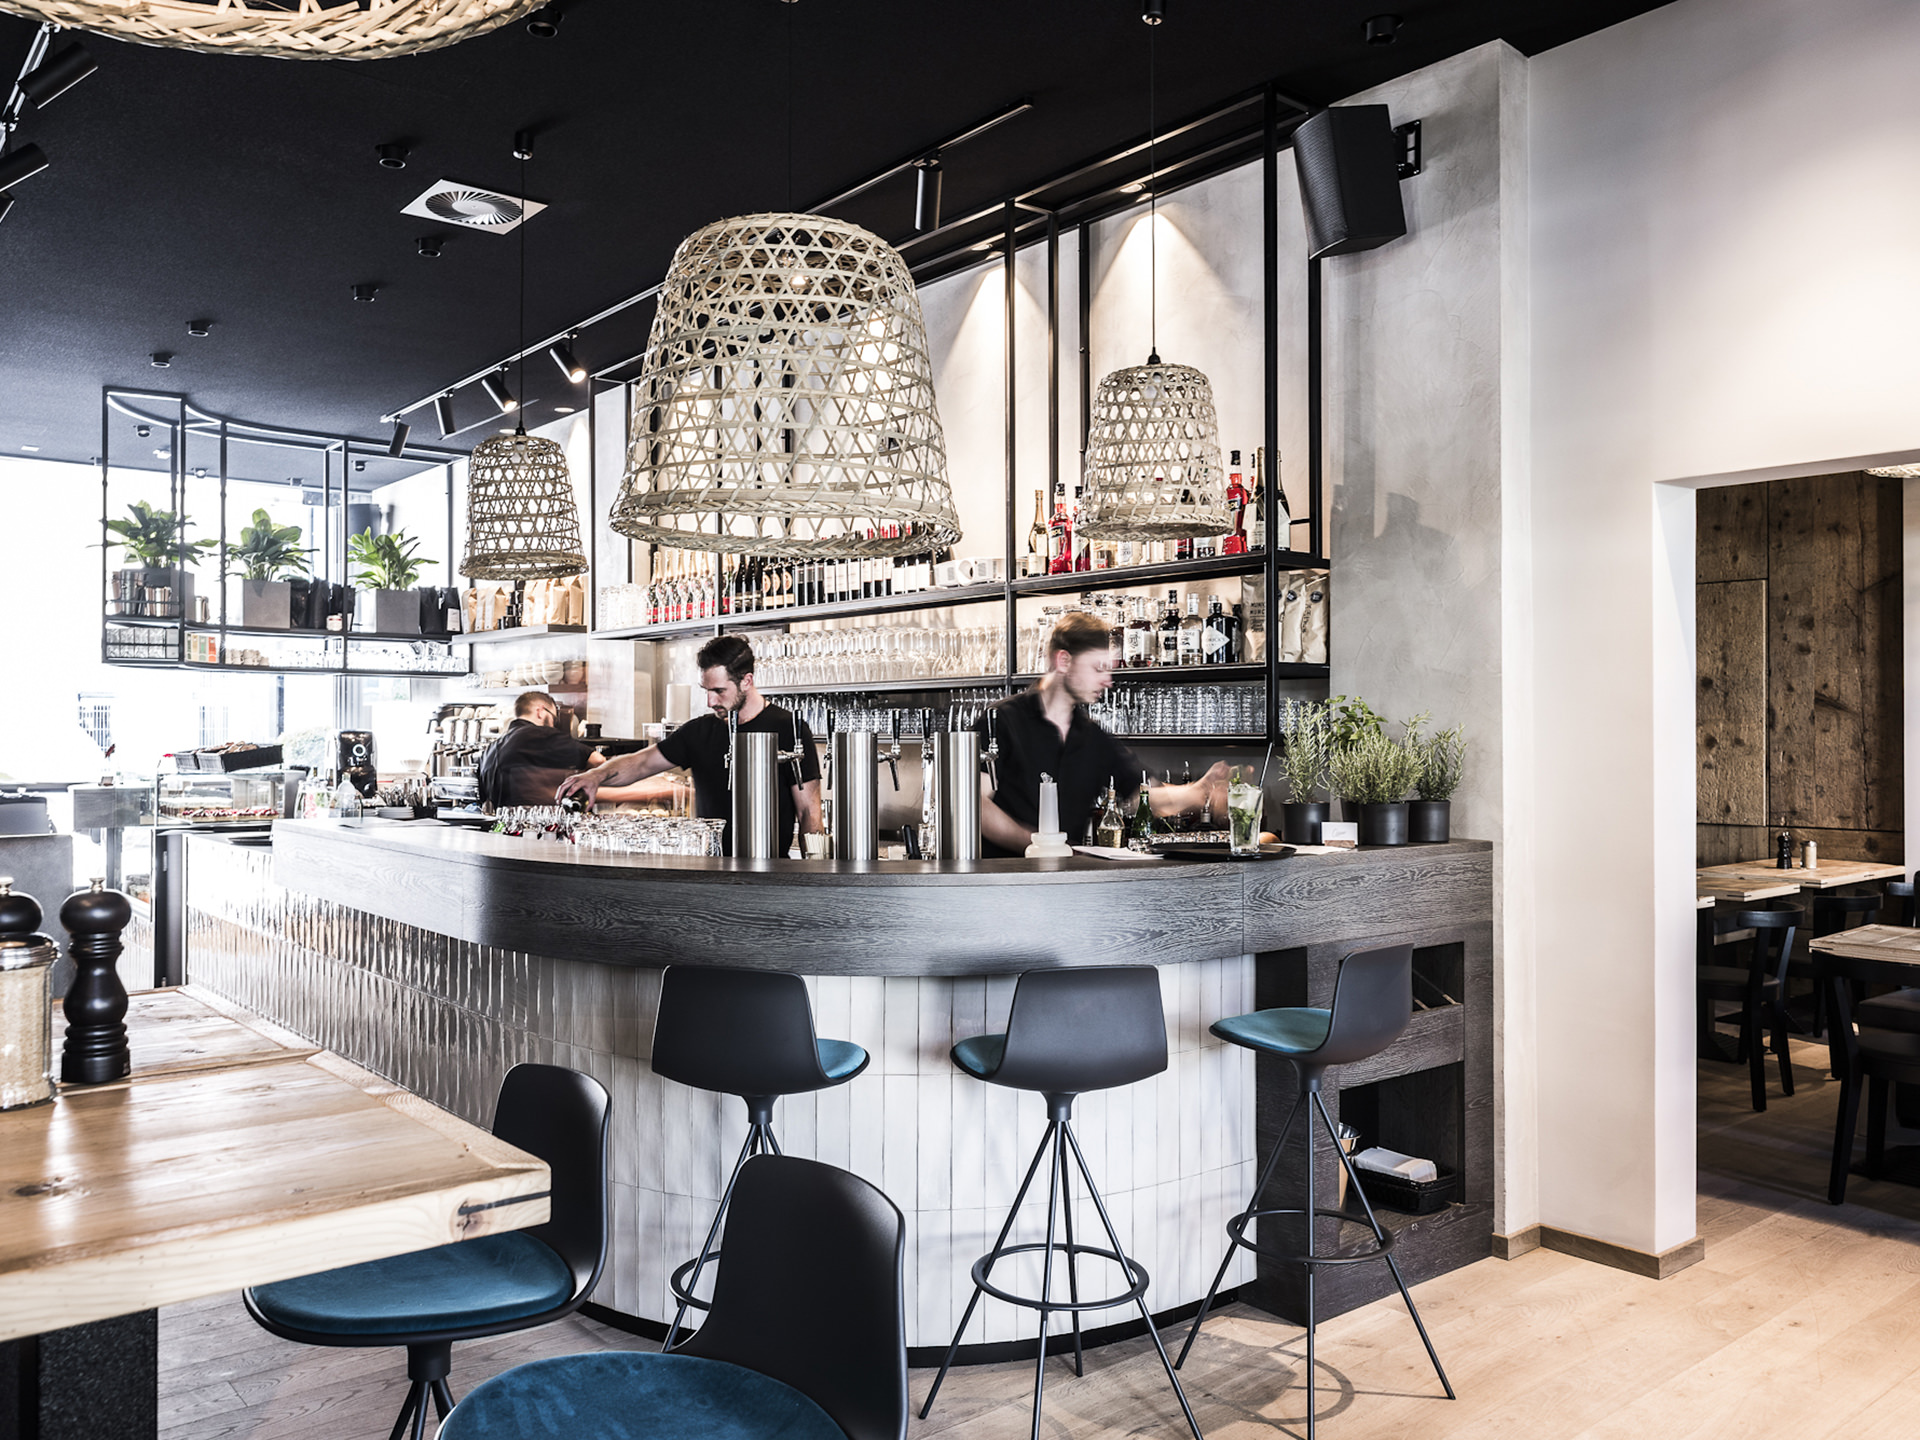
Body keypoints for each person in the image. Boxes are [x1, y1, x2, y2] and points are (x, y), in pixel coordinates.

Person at [978, 610, 1227, 857]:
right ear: (1064, 661)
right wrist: (1040, 846)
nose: (1108, 681)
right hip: (1003, 880)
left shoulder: (1092, 737)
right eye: (1098, 669)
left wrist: (1201, 789)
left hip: (1065, 882)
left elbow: (1148, 795)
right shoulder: (1001, 720)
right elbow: (976, 806)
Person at [558, 634, 823, 856]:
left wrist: (812, 874)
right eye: (706, 691)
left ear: (747, 681)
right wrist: (596, 776)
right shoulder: (700, 731)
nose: (710, 701)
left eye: (719, 691)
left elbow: (809, 811)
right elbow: (642, 762)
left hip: (769, 869)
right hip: (711, 867)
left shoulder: (789, 728)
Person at [477, 690, 603, 809]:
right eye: (554, 718)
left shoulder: (490, 749)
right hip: (532, 827)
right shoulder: (540, 734)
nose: (553, 724)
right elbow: (597, 760)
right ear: (541, 711)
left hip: (499, 827)